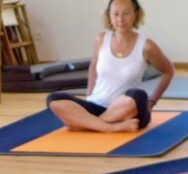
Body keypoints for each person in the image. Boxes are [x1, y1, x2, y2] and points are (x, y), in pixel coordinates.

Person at [45, 0, 174, 132]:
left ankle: (85, 123)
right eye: (116, 14)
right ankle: (108, 127)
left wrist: (152, 102)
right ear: (109, 16)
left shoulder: (146, 46)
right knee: (54, 99)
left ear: (136, 14)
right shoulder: (101, 40)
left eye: (126, 13)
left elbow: (168, 71)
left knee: (138, 95)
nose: (121, 19)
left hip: (128, 110)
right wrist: (89, 96)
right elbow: (93, 67)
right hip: (96, 105)